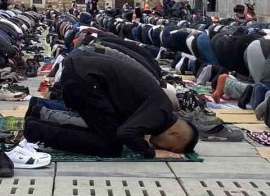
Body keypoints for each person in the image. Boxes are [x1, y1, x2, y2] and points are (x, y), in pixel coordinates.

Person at [23, 50, 198, 158]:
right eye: (170, 148)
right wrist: (151, 153)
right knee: (110, 145)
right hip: (87, 79)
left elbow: (124, 127)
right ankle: (37, 130)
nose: (162, 147)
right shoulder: (160, 113)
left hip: (83, 72)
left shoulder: (161, 108)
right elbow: (125, 133)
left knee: (105, 131)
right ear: (175, 133)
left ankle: (38, 118)